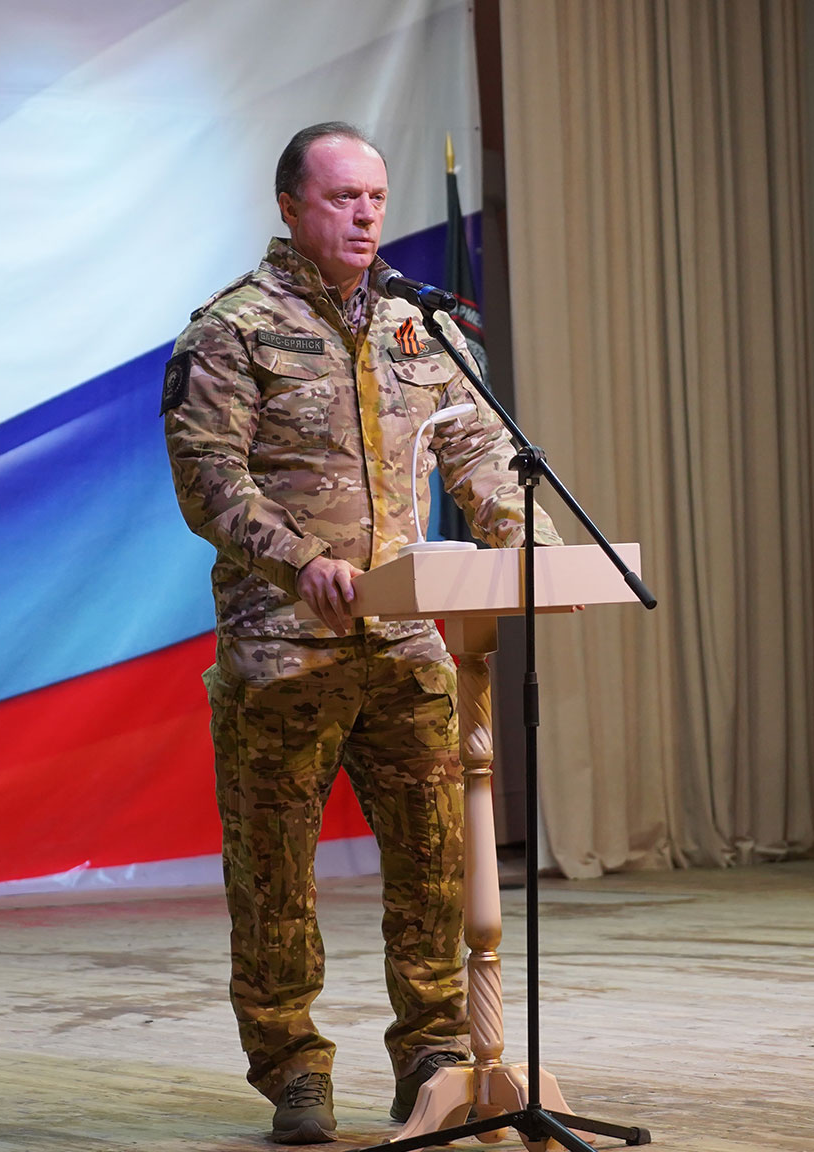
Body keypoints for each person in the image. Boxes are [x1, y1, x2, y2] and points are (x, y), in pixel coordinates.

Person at [163, 122, 558, 1144]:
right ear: (291, 205)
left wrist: (528, 541)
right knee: (274, 874)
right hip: (281, 647)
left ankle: (431, 1049)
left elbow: (480, 453)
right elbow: (210, 481)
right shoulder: (232, 330)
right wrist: (301, 560)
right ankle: (292, 1065)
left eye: (376, 196)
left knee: (434, 860)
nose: (366, 214)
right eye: (343, 197)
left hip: (409, 646)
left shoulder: (419, 328)